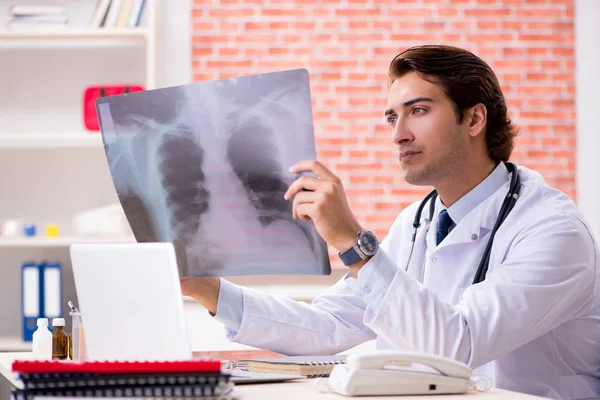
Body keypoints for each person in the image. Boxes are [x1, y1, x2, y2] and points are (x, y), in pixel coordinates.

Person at [180, 44, 600, 400]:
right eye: (391, 117)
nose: (398, 133)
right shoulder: (418, 221)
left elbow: (458, 346)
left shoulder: (552, 230)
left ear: (474, 119)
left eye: (418, 110)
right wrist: (205, 288)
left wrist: (353, 242)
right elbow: (332, 325)